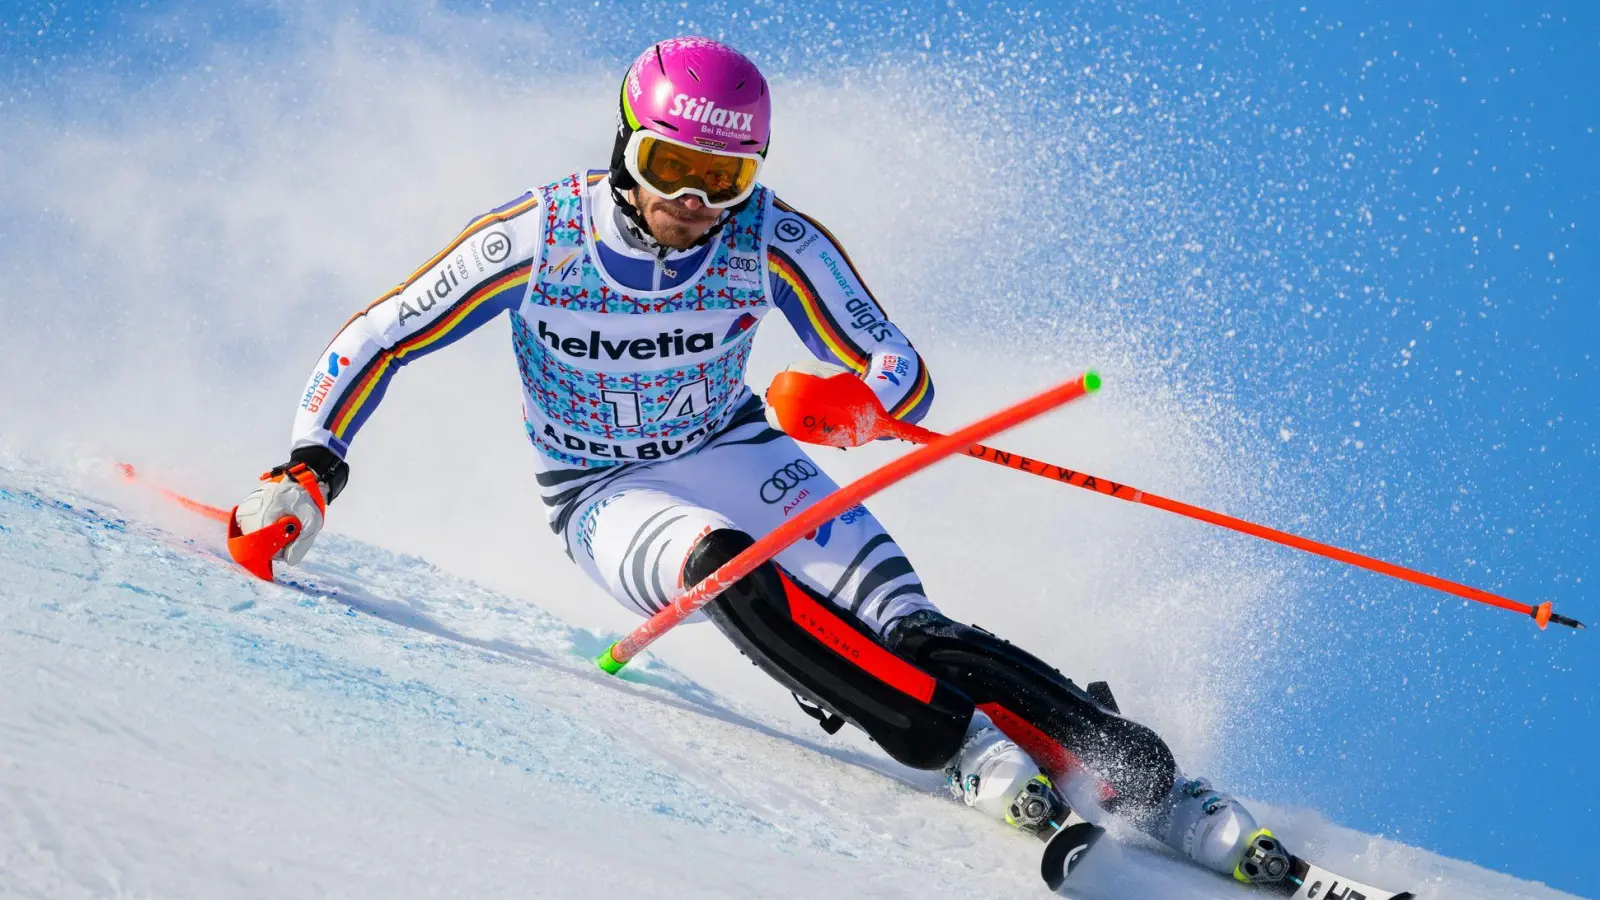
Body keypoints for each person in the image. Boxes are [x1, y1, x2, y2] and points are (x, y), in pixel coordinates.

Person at [232, 36, 1286, 885]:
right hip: (603, 490)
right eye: (672, 169)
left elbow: (898, 366)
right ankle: (958, 749)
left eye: (723, 178)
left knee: (912, 626)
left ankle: (1153, 783)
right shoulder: (539, 236)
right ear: (626, 146)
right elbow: (381, 337)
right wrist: (309, 468)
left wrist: (860, 405)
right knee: (726, 566)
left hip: (735, 448)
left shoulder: (769, 238)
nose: (694, 203)